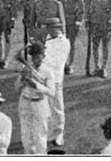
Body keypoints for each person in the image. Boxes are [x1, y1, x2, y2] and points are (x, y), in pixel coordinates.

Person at [15, 41, 55, 154]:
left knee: (40, 137)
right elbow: (16, 88)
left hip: (40, 104)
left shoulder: (48, 72)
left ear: (43, 56)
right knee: (26, 136)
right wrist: (22, 80)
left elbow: (51, 92)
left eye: (38, 56)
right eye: (33, 56)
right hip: (25, 103)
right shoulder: (26, 68)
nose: (35, 59)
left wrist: (36, 85)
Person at [43, 18, 70, 147]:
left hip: (56, 79)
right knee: (46, 107)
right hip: (45, 79)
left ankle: (59, 133)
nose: (49, 30)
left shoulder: (64, 43)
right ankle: (49, 132)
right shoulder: (48, 40)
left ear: (58, 28)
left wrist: (41, 57)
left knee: (58, 107)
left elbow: (56, 62)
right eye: (48, 27)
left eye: (52, 27)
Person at [54, 0, 85, 75]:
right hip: (61, 21)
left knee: (71, 43)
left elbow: (81, 8)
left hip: (72, 20)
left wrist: (78, 22)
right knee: (61, 43)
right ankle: (63, 63)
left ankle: (70, 64)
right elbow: (56, 6)